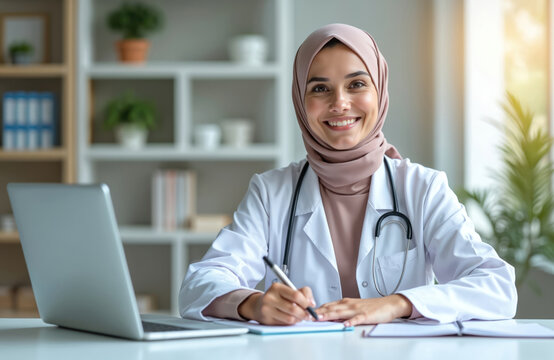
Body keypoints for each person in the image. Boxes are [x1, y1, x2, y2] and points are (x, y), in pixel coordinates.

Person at [179, 23, 517, 327]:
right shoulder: (271, 192)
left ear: (380, 90)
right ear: (300, 100)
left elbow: (497, 286)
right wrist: (252, 304)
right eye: (320, 89)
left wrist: (397, 304)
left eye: (356, 84)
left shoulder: (422, 188)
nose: (340, 103)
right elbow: (200, 283)